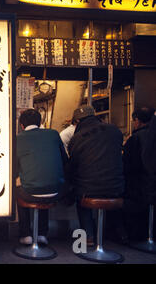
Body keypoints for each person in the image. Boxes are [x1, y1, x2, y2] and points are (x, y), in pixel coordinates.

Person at [67, 105, 126, 246]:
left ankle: (88, 237)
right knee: (110, 192)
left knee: (79, 196)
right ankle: (119, 233)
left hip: (89, 190)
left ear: (77, 122)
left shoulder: (77, 138)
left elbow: (73, 167)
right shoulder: (115, 131)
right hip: (117, 189)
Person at [15, 109, 68, 245]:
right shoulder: (54, 134)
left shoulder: (17, 139)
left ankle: (25, 234)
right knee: (45, 184)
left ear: (21, 125)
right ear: (41, 122)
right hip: (56, 191)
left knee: (21, 189)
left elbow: (14, 167)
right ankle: (42, 234)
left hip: (30, 193)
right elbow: (65, 160)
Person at [123, 107, 156, 240]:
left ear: (137, 120)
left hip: (142, 187)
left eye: (134, 120)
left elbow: (128, 165)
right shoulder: (151, 136)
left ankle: (133, 235)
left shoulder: (136, 138)